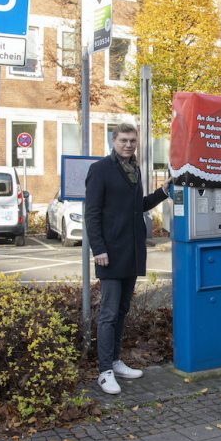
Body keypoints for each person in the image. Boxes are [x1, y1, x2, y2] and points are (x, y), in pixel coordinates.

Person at [85, 123, 170, 395]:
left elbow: (137, 208)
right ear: (113, 140)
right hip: (109, 254)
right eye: (124, 140)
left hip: (132, 253)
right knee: (108, 314)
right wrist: (98, 249)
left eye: (133, 140)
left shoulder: (135, 169)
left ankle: (115, 360)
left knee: (122, 311)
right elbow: (92, 214)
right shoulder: (100, 170)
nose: (129, 144)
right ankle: (104, 371)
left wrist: (162, 193)